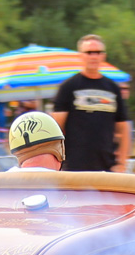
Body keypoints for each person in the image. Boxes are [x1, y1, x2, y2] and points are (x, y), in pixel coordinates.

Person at [52, 34, 130, 172]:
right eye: (89, 52)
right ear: (80, 56)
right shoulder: (68, 87)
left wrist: (121, 163)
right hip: (74, 167)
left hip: (106, 167)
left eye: (98, 52)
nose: (93, 56)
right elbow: (55, 129)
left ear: (103, 56)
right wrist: (57, 163)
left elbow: (124, 128)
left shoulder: (113, 88)